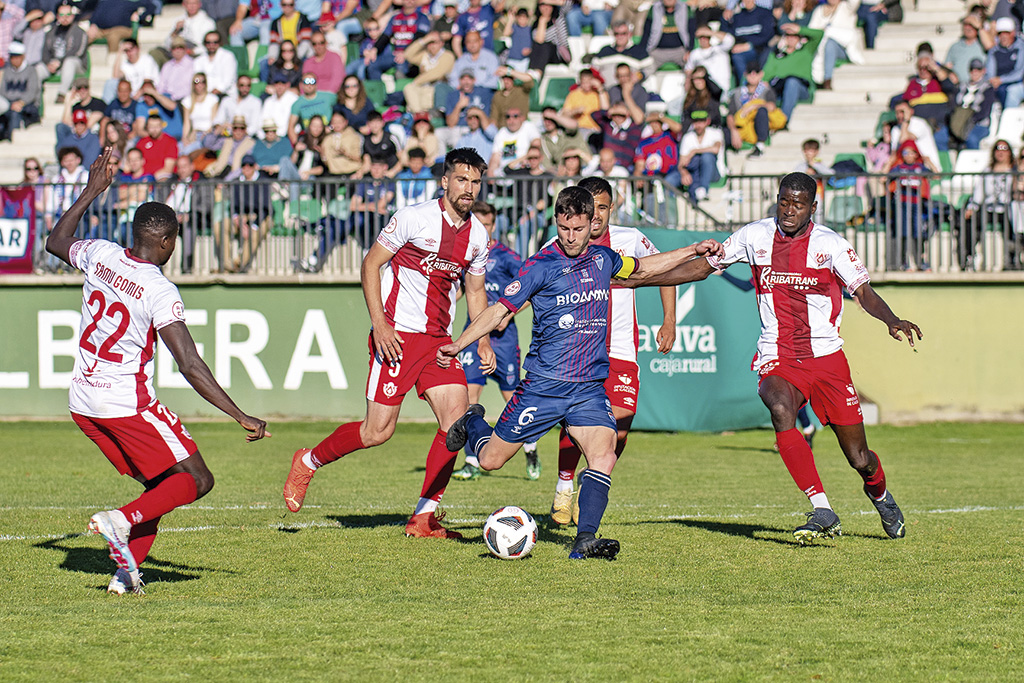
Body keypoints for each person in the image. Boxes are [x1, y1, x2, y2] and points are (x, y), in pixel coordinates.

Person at [440, 185, 722, 559]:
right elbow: (498, 311)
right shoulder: (540, 264)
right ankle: (472, 421)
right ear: (557, 223)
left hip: (587, 389)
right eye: (563, 228)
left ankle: (585, 539)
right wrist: (462, 343)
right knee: (491, 460)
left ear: (592, 223)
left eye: (577, 229)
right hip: (543, 387)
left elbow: (645, 269)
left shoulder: (605, 258)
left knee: (604, 455)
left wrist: (692, 249)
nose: (570, 237)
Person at [641, 172, 920, 542]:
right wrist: (648, 279)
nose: (789, 210)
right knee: (779, 408)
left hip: (826, 359)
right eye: (784, 201)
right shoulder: (754, 235)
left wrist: (891, 319)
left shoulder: (831, 244)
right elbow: (706, 267)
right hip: (778, 353)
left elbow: (863, 292)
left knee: (858, 457)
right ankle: (822, 508)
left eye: (798, 204)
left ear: (813, 208)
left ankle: (881, 496)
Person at [44, 147, 269, 595]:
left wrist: (91, 191)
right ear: (167, 242)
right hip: (126, 401)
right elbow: (189, 363)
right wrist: (238, 414)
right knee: (197, 479)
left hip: (82, 401)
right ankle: (119, 521)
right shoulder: (158, 289)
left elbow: (54, 242)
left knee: (161, 484)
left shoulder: (101, 253)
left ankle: (125, 575)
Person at [282, 148, 495, 540]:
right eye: (461, 180)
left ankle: (423, 517)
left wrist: (481, 340)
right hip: (397, 337)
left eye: (476, 182)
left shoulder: (479, 236)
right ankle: (308, 460)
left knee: (456, 425)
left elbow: (476, 291)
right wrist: (380, 326)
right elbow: (370, 264)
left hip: (440, 344)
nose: (469, 188)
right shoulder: (413, 218)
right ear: (444, 181)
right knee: (377, 432)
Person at [545, 177, 677, 526]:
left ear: (611, 207)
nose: (598, 214)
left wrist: (669, 320)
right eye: (593, 207)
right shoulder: (560, 243)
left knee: (618, 428)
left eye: (603, 207)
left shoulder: (629, 239)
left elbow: (666, 269)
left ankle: (590, 484)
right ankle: (564, 486)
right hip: (578, 351)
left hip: (620, 348)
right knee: (577, 423)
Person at [450, 200, 539, 481]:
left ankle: (531, 448)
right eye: (480, 223)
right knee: (468, 399)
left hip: (503, 340)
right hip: (474, 337)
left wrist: (510, 313)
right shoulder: (466, 253)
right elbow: (463, 290)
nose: (484, 228)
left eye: (488, 224)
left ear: (494, 225)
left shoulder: (507, 256)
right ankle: (471, 461)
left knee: (513, 400)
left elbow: (532, 285)